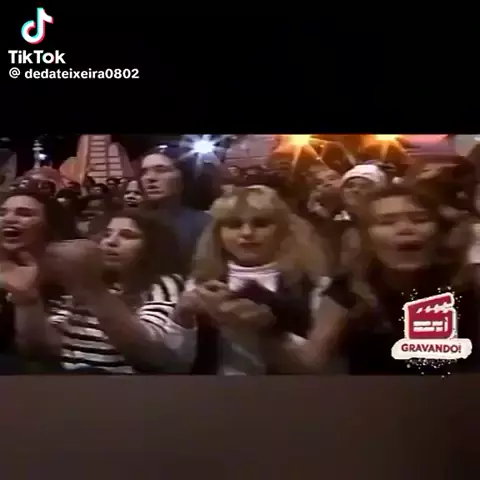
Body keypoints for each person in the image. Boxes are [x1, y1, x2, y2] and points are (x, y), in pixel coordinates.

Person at [260, 184, 479, 375]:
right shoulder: (349, 288)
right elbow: (311, 362)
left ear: (440, 232)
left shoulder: (470, 285)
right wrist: (266, 327)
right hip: (373, 403)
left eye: (420, 219)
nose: (405, 229)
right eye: (386, 222)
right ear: (366, 237)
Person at [2, 209, 195, 374]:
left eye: (127, 235)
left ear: (152, 247)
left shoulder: (162, 283)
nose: (111, 241)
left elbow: (149, 356)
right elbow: (43, 348)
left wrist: (92, 289)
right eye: (107, 234)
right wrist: (27, 299)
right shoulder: (91, 282)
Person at [173, 185, 330, 375]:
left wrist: (266, 329)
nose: (247, 233)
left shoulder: (313, 284)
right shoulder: (201, 281)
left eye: (261, 224)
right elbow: (177, 364)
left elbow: (316, 366)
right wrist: (182, 317)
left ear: (282, 230)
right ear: (218, 233)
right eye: (234, 224)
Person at [0, 189, 78, 373]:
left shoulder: (72, 275)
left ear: (49, 227)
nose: (9, 219)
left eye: (24, 214)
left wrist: (26, 299)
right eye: (2, 213)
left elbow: (43, 353)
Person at [139, 148, 210, 260]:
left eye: (161, 170)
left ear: (184, 176)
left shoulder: (204, 224)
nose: (150, 177)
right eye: (144, 172)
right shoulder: (131, 220)